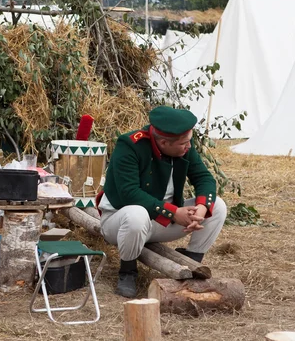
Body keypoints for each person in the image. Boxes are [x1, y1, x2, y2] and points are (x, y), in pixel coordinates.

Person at [97, 106, 227, 298]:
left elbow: (204, 178)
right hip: (120, 222)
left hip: (159, 222)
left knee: (218, 206)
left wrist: (200, 208)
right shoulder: (130, 145)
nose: (189, 147)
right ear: (164, 142)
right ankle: (128, 272)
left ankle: (192, 263)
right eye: (184, 143)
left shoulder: (183, 146)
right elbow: (129, 194)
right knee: (136, 214)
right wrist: (173, 213)